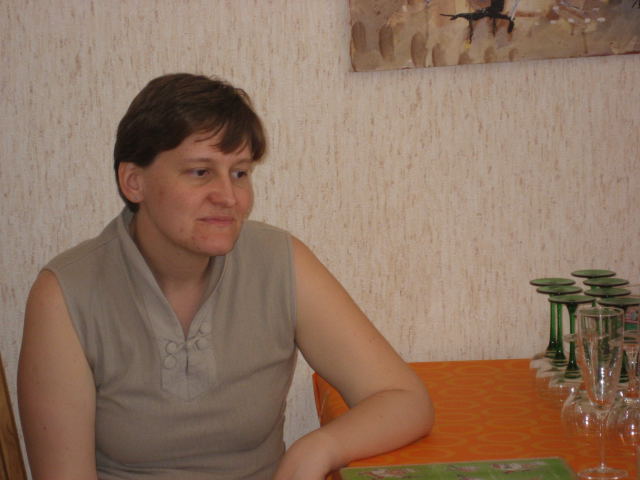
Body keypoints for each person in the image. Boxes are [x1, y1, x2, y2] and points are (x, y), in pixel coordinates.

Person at [18, 73, 434, 480]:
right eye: (200, 172)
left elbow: (403, 399)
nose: (228, 197)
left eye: (239, 173)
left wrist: (318, 447)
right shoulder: (65, 295)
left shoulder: (280, 263)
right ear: (134, 182)